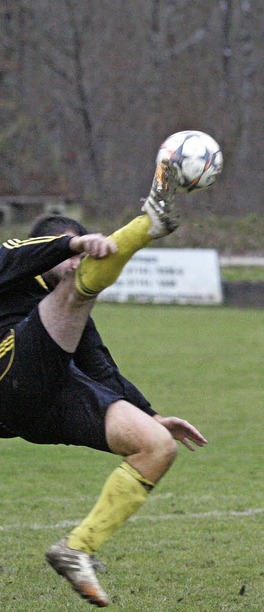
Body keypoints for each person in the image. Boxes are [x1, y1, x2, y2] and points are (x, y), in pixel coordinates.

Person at [0, 160, 207, 607]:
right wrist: (74, 243)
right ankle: (144, 224)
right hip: (5, 376)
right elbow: (13, 252)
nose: (78, 263)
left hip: (43, 403)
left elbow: (101, 368)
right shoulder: (15, 270)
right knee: (79, 292)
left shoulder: (69, 315)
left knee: (156, 446)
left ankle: (76, 549)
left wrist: (153, 415)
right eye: (72, 257)